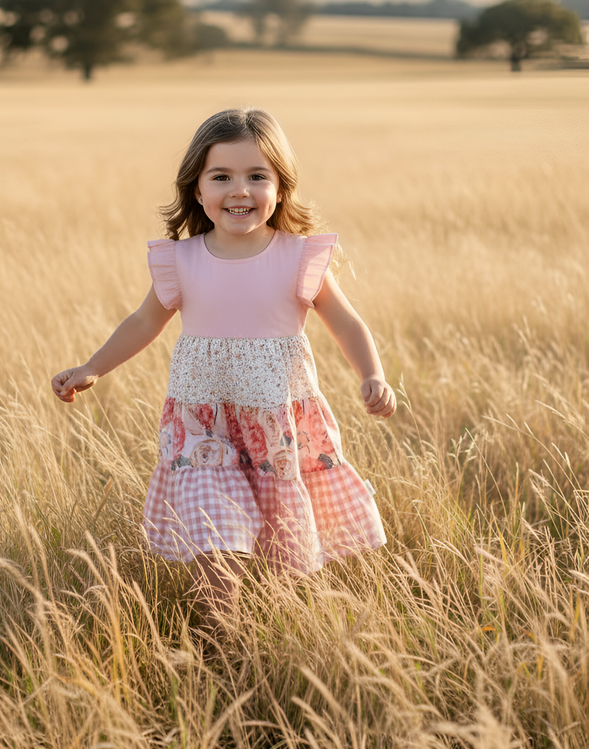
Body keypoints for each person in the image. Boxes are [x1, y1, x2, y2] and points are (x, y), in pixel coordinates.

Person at [52, 108, 396, 632]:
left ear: (281, 188)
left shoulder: (299, 257)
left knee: (286, 558)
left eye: (258, 176)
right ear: (197, 188)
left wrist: (372, 375)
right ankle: (225, 648)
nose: (241, 190)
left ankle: (277, 645)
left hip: (275, 429)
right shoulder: (181, 260)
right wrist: (93, 367)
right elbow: (144, 321)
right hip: (201, 427)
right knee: (214, 549)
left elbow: (347, 325)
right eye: (222, 177)